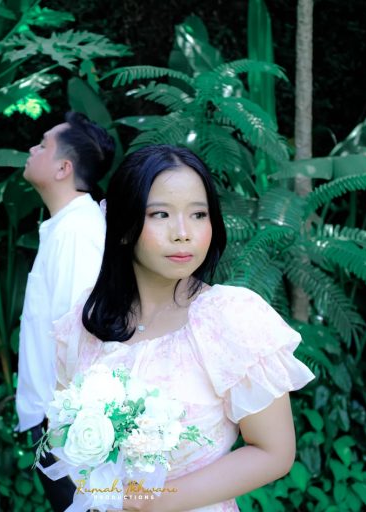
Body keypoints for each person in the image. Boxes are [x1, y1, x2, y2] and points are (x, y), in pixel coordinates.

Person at [51, 144, 315, 511]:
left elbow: (274, 452)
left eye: (198, 214)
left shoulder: (229, 319)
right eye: (160, 214)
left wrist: (148, 502)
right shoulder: (85, 323)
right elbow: (61, 434)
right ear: (124, 227)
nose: (182, 233)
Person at [16, 112, 115, 510]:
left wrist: (64, 434)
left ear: (63, 168)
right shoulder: (67, 227)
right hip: (56, 425)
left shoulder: (77, 233)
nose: (32, 149)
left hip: (67, 432)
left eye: (43, 145)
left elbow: (84, 338)